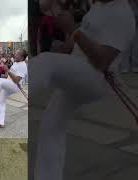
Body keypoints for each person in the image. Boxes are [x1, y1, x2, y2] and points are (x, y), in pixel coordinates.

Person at [29, 0, 136, 180]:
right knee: (52, 123)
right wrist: (65, 44)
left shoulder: (122, 14)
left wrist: (73, 29)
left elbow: (102, 60)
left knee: (47, 62)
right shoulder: (99, 6)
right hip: (79, 70)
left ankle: (9, 94)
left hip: (95, 77)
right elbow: (81, 39)